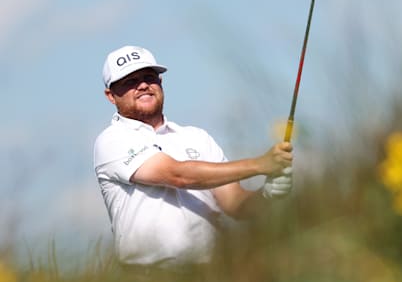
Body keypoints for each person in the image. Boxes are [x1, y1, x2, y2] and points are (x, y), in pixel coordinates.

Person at [93, 45, 293, 269]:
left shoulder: (197, 137)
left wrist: (266, 195)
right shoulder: (111, 140)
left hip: (212, 272)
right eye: (129, 81)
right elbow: (178, 175)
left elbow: (234, 204)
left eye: (149, 77)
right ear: (111, 96)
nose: (142, 85)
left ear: (160, 83)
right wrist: (260, 165)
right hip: (148, 278)